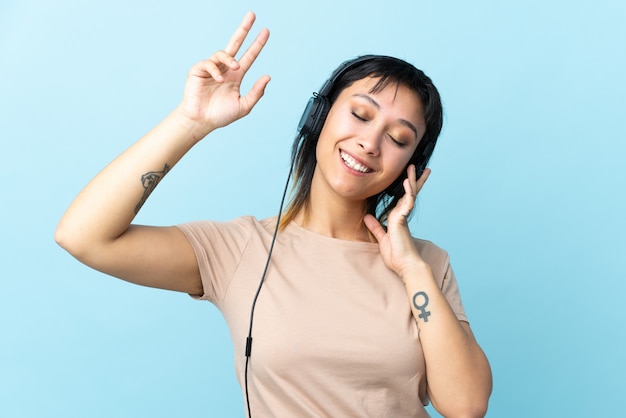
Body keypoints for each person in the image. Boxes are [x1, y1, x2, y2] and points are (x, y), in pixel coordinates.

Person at [55, 11, 492, 418]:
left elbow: (466, 406)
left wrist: (411, 269)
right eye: (359, 114)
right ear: (318, 116)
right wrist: (192, 122)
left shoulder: (427, 264)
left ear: (411, 168)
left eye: (398, 139)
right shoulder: (239, 249)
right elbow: (82, 235)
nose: (370, 143)